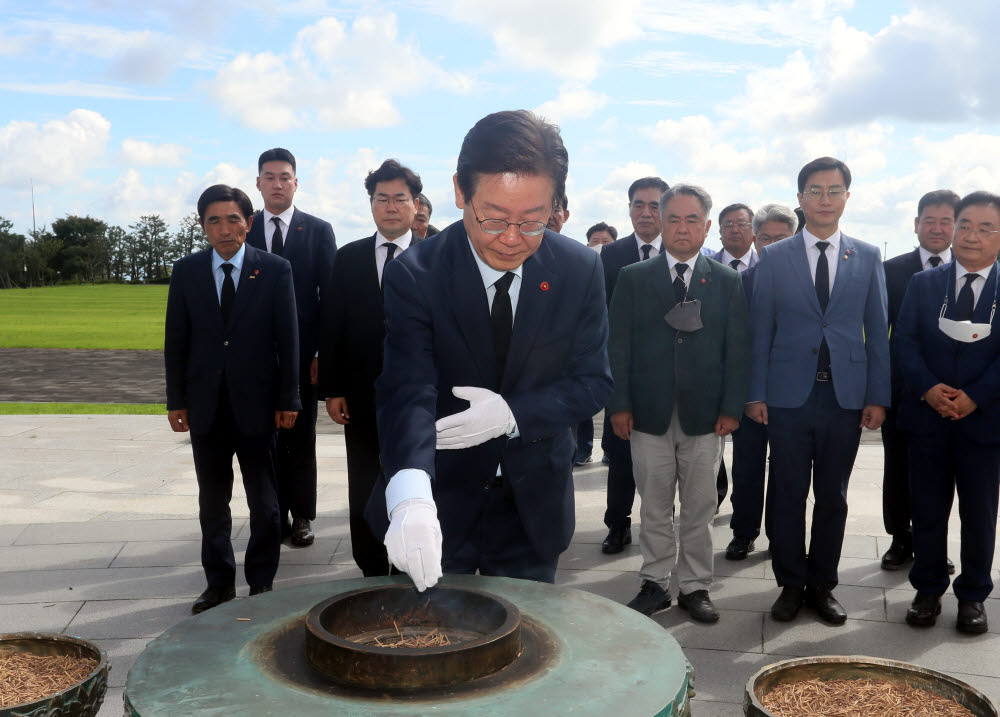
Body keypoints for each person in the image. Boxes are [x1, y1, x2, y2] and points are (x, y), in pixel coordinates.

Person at [370, 110, 613, 589]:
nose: (510, 239)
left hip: (532, 506)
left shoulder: (579, 269)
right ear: (460, 192)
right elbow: (408, 388)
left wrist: (513, 414)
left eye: (532, 222)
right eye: (494, 218)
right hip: (441, 497)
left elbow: (593, 382)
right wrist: (412, 494)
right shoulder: (416, 274)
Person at [747, 157, 890, 625]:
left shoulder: (867, 256)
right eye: (815, 190)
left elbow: (876, 329)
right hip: (787, 398)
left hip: (843, 398)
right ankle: (790, 583)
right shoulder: (774, 256)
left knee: (834, 495)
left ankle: (823, 584)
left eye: (834, 190)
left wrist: (877, 396)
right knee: (786, 492)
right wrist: (755, 393)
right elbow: (760, 330)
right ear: (800, 198)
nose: (824, 199)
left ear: (848, 197)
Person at [608, 184, 749, 622]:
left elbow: (737, 347)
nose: (682, 228)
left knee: (700, 503)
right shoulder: (634, 277)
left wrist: (731, 407)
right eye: (674, 219)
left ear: (707, 227)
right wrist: (619, 404)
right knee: (652, 501)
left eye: (692, 220)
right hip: (647, 412)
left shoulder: (726, 280)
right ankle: (654, 582)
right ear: (660, 223)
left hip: (705, 414)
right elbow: (618, 346)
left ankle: (695, 585)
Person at [164, 184, 300, 613]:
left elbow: (289, 341)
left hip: (259, 406)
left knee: (265, 504)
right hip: (206, 407)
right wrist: (176, 400)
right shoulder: (186, 271)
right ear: (202, 225)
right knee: (212, 501)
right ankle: (219, 584)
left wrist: (289, 399)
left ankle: (261, 583)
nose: (225, 229)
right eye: (214, 220)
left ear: (250, 223)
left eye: (234, 219)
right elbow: (176, 341)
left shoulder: (275, 269)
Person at [896, 191, 1000, 635]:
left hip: (985, 421)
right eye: (965, 226)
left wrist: (976, 395)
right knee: (928, 508)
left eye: (985, 228)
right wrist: (928, 388)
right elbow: (902, 341)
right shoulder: (924, 284)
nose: (971, 236)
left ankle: (973, 595)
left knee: (980, 513)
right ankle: (928, 588)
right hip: (928, 419)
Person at [319, 159, 424, 577]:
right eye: (382, 198)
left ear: (415, 205)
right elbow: (333, 325)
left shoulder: (437, 256)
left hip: (421, 395)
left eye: (401, 198)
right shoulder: (348, 258)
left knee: (413, 481)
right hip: (362, 394)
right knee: (363, 482)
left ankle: (412, 561)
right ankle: (370, 565)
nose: (392, 206)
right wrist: (332, 389)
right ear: (371, 204)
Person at [246, 148, 337, 547]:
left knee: (301, 438)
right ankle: (271, 514)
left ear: (296, 183)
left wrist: (322, 353)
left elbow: (331, 298)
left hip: (304, 354)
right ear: (258, 183)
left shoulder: (317, 230)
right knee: (261, 436)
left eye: (285, 177)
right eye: (270, 176)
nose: (277, 184)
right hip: (255, 356)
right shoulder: (242, 229)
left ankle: (301, 515)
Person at [880, 190, 959, 572]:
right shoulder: (892, 269)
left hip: (955, 397)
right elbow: (882, 335)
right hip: (903, 392)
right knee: (897, 470)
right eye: (929, 220)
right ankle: (899, 538)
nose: (937, 228)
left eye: (946, 221)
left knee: (940, 479)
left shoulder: (972, 269)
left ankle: (932, 546)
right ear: (916, 224)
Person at [598, 176, 669, 554]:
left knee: (673, 455)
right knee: (621, 454)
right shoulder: (611, 255)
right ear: (628, 209)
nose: (645, 213)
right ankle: (617, 524)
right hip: (623, 373)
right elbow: (601, 317)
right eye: (638, 205)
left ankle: (665, 526)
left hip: (671, 375)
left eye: (654, 206)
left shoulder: (678, 251)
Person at [725, 203, 797, 560]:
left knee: (788, 474)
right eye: (764, 238)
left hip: (794, 396)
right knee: (748, 468)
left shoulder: (807, 282)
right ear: (754, 240)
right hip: (751, 394)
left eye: (780, 238)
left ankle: (781, 536)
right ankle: (743, 532)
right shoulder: (742, 282)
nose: (770, 246)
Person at [710, 203, 758, 510]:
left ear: (753, 230)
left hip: (755, 380)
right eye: (727, 224)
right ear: (718, 231)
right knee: (709, 450)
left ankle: (745, 525)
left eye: (741, 223)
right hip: (712, 376)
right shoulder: (703, 267)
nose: (735, 229)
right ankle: (713, 498)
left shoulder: (771, 266)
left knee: (750, 456)